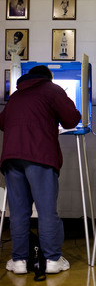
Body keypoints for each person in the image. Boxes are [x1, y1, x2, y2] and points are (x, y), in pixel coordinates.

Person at [0, 65, 81, 274]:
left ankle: (19, 261)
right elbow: (72, 119)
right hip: (40, 156)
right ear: (49, 77)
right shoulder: (52, 89)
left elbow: (2, 122)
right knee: (46, 211)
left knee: (18, 213)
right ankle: (53, 260)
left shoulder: (16, 95)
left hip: (11, 157)